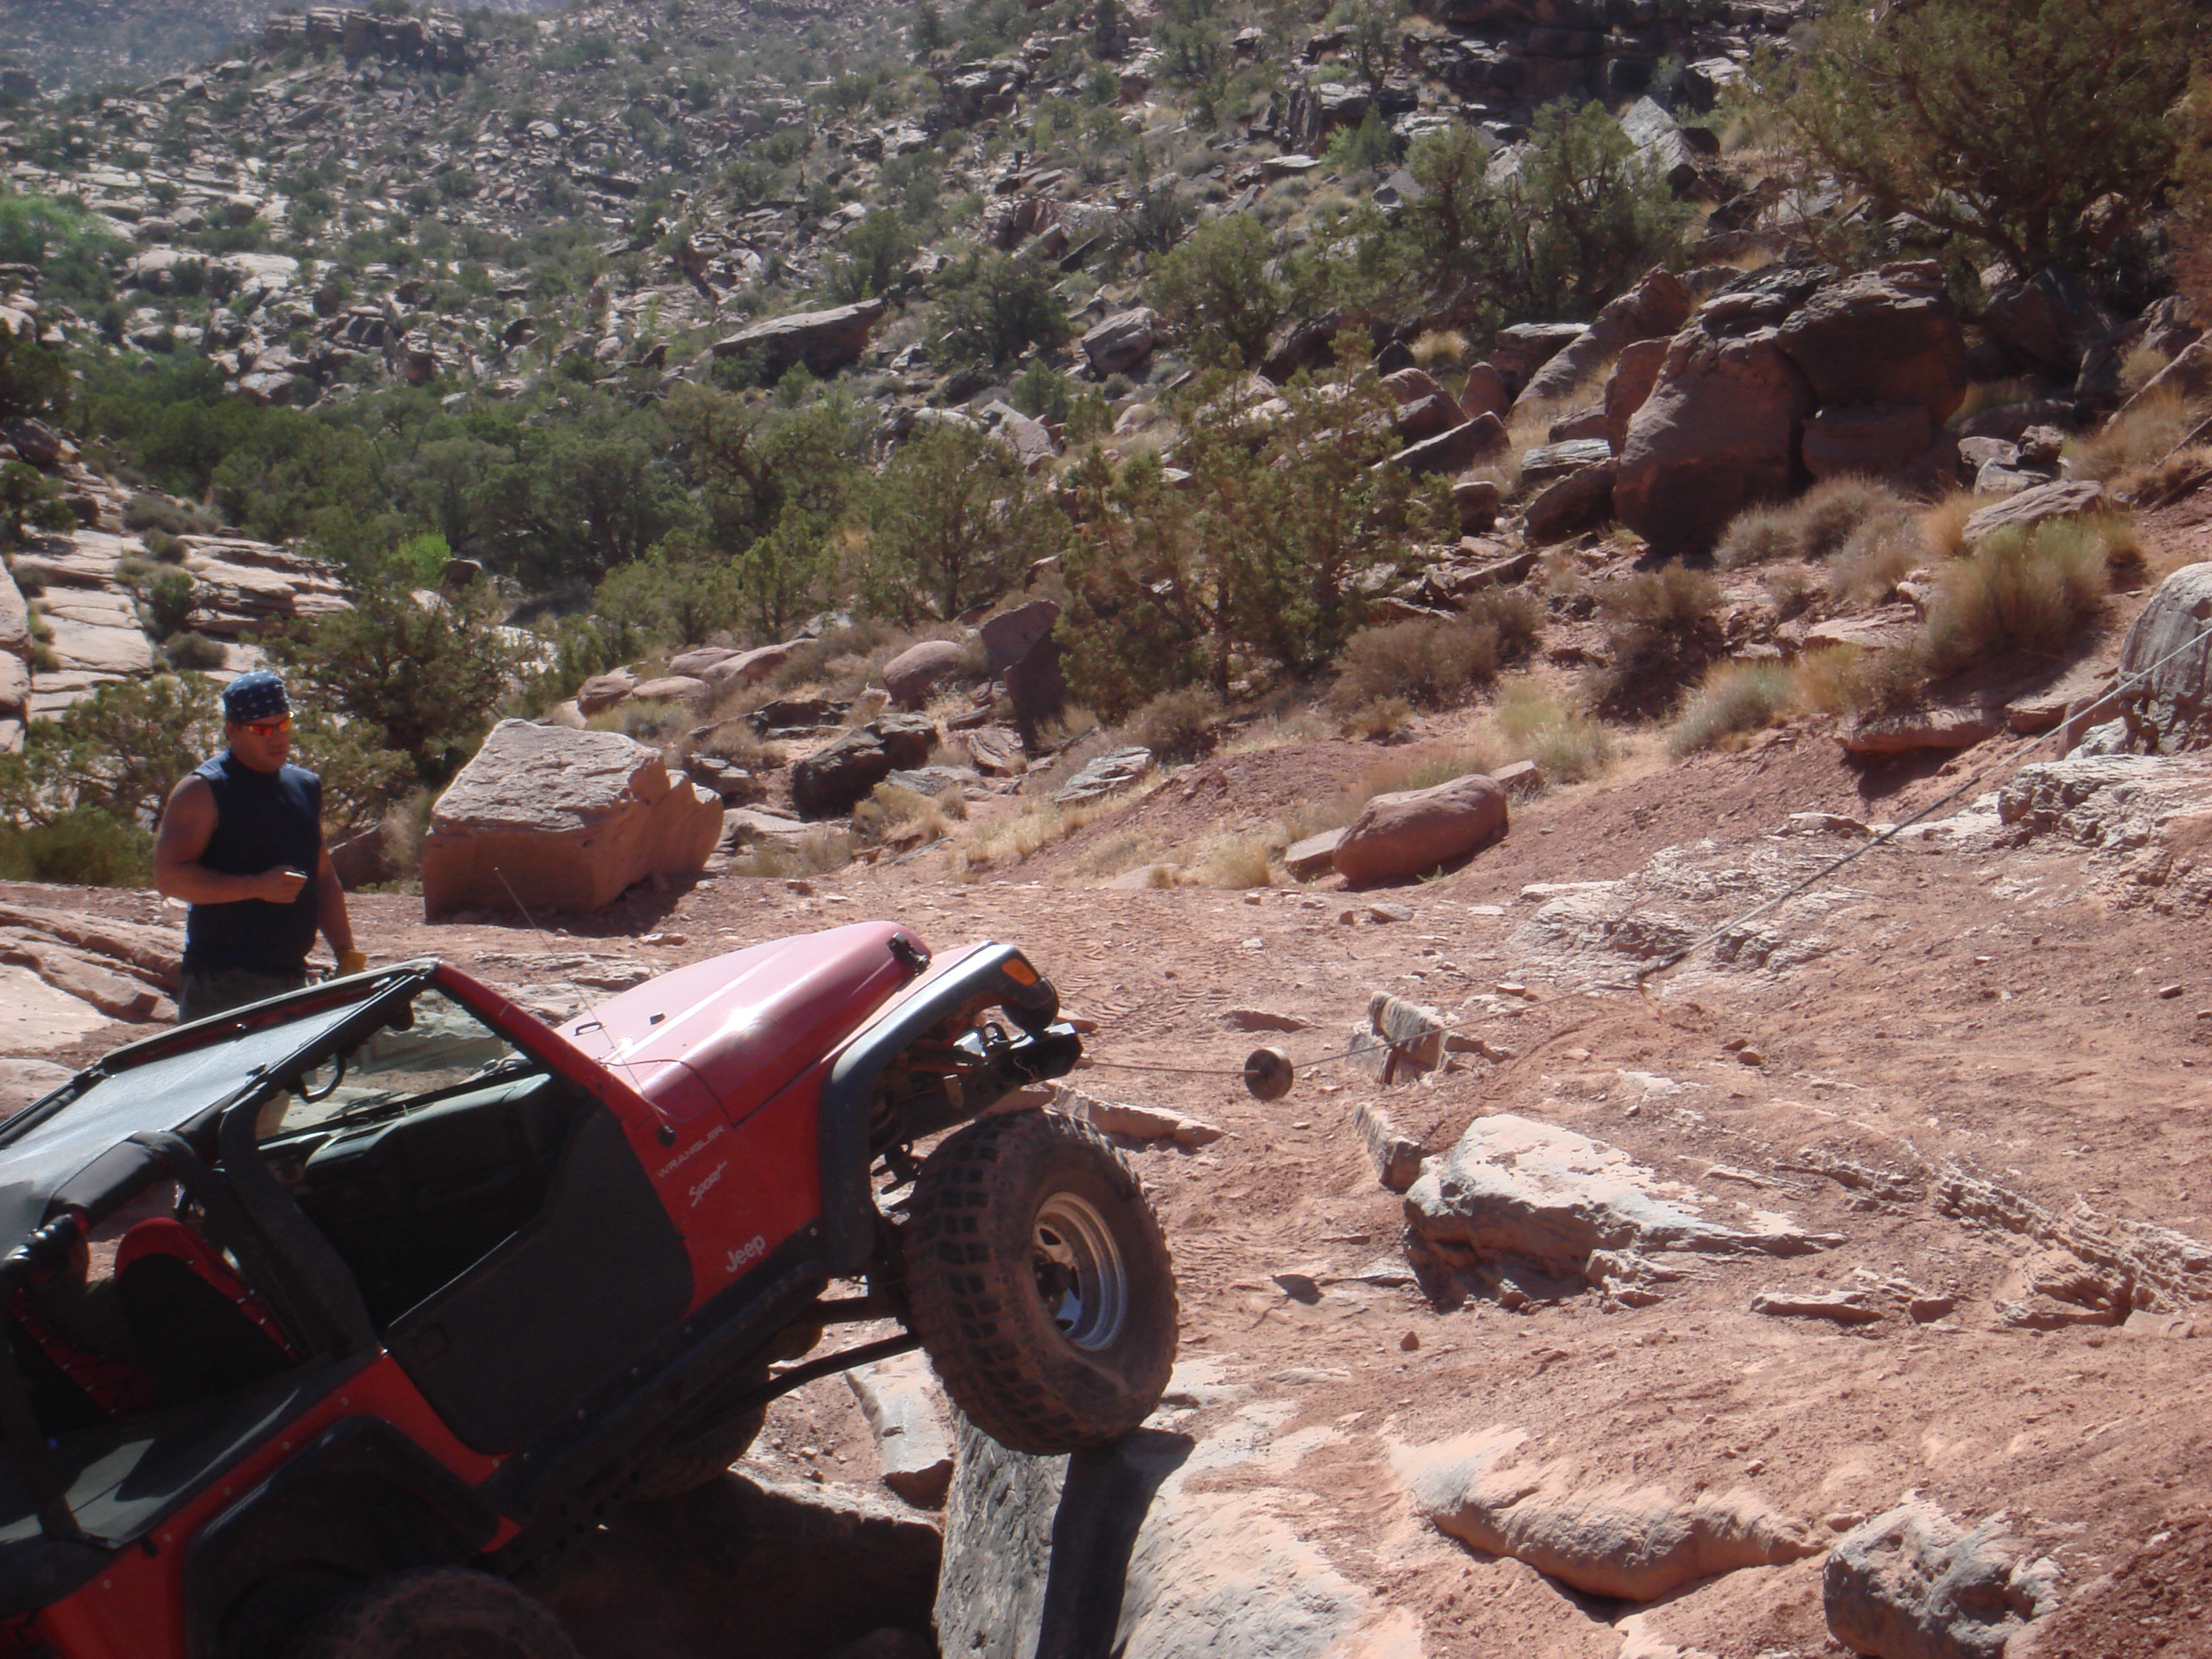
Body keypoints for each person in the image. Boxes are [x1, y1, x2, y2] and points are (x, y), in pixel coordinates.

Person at [154, 670, 366, 1023]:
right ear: (232, 730)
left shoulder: (305, 785)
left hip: (292, 977)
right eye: (262, 730)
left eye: (284, 724)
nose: (278, 737)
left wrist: (347, 955)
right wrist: (256, 887)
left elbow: (322, 877)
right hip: (223, 982)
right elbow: (170, 879)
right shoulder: (204, 790)